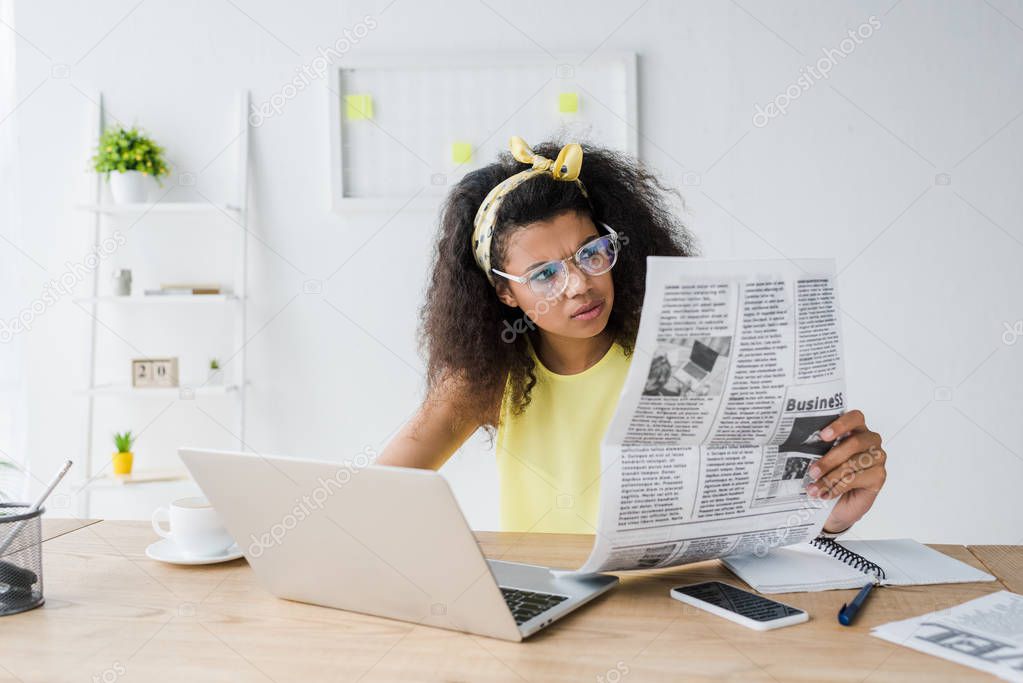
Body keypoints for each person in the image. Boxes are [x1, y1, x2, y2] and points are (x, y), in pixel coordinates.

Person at [377, 136, 887, 535]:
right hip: (546, 615)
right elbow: (377, 494)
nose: (580, 285)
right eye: (544, 275)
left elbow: (756, 515)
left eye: (591, 251)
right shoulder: (489, 378)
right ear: (504, 293)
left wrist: (833, 511)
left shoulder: (687, 355)